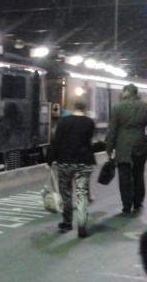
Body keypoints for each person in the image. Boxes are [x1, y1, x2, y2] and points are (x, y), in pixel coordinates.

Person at [51, 99, 96, 237]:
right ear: (85, 108)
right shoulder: (89, 122)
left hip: (65, 162)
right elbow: (89, 140)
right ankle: (81, 224)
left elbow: (56, 141)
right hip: (83, 162)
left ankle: (67, 222)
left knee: (66, 193)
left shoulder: (63, 122)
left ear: (72, 107)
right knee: (82, 193)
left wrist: (50, 160)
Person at [105, 83, 147, 214]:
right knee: (139, 174)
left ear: (125, 93)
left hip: (123, 145)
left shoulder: (117, 108)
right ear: (136, 93)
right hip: (140, 144)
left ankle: (126, 205)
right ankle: (138, 202)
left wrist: (109, 147)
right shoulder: (144, 107)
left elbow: (113, 130)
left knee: (124, 177)